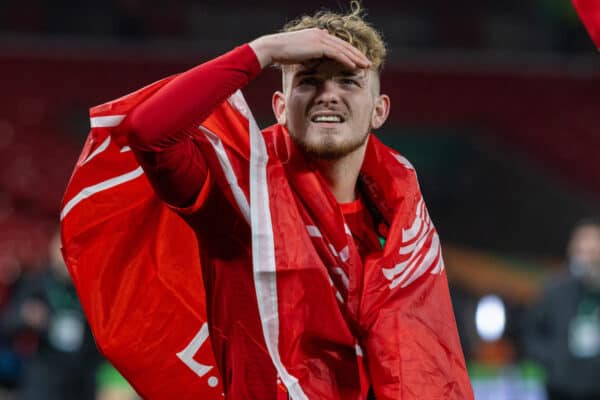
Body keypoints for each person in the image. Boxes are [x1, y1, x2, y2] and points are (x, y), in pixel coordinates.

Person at [61, 2, 473, 399]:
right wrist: (264, 51)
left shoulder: (402, 224)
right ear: (279, 106)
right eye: (309, 80)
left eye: (348, 80)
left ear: (379, 110)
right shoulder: (238, 196)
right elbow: (148, 131)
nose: (328, 94)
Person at [0, 231, 102, 400]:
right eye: (62, 250)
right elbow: (7, 324)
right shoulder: (36, 284)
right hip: (45, 378)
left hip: (82, 380)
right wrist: (26, 315)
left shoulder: (91, 289)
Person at [524, 218, 600, 400]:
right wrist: (553, 360)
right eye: (581, 251)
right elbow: (531, 333)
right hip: (562, 388)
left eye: (592, 252)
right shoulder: (554, 291)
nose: (585, 259)